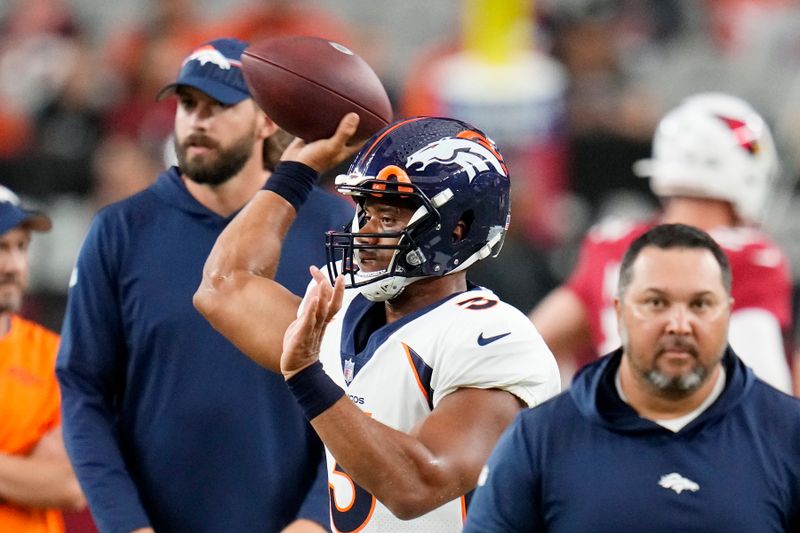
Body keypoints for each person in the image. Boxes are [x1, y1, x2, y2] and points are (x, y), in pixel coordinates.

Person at [194, 115, 561, 530]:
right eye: (365, 212)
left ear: (458, 229)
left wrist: (306, 375)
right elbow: (223, 287)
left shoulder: (494, 338)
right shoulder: (342, 309)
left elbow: (417, 487)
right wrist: (293, 175)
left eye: (387, 218)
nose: (364, 233)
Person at [55, 38, 354, 533]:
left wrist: (318, 517)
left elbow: (370, 387)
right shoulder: (121, 231)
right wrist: (124, 523)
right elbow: (83, 390)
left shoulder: (335, 228)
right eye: (188, 104)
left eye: (219, 107)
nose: (197, 121)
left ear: (266, 121)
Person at [465, 223, 800, 531]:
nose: (679, 324)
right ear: (619, 312)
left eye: (700, 304)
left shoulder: (789, 435)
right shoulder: (541, 439)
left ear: (727, 313)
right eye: (656, 302)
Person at [530, 92, 794, 393]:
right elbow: (766, 387)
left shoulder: (612, 243)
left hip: (613, 429)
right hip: (702, 432)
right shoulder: (750, 256)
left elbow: (530, 343)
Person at [0, 185, 86, 532]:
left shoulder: (56, 358)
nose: (14, 265)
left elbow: (70, 484)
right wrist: (21, 470)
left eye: (21, 247)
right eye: (0, 248)